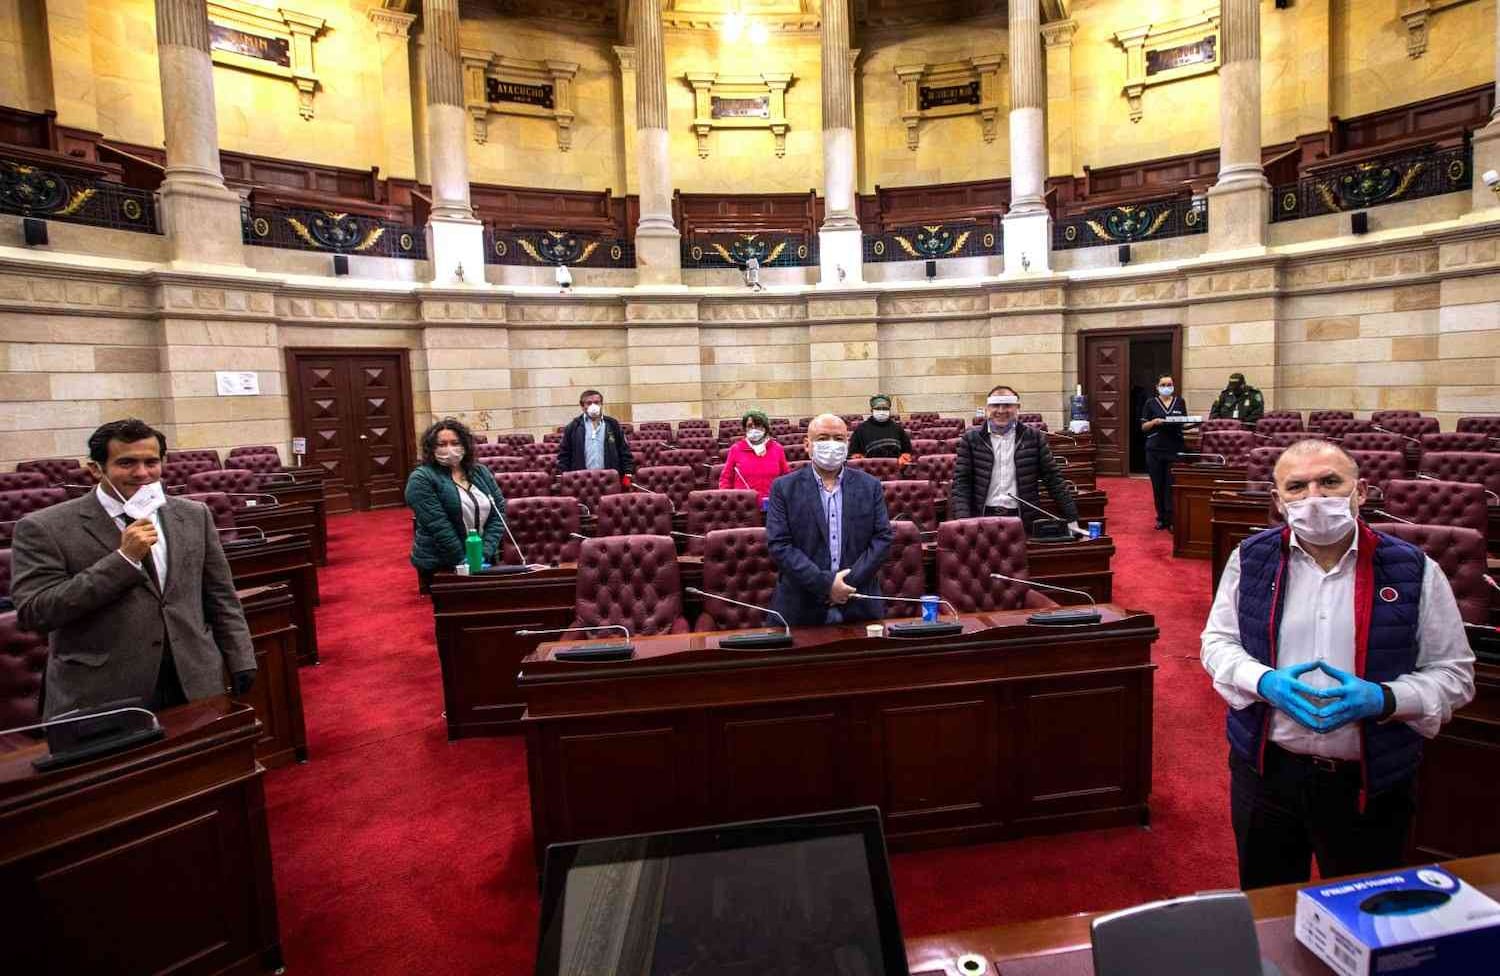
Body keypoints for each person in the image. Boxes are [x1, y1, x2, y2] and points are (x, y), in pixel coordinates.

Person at [1201, 439, 1474, 890]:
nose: (1314, 498)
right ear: (1277, 500)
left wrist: (1384, 698)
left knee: (1366, 914)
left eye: (1329, 482)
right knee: (1267, 905)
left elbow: (1455, 674)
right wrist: (1263, 682)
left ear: (1361, 491)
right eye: (1296, 487)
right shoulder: (1249, 560)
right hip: (1267, 773)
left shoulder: (1414, 569)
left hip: (1369, 782)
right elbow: (1218, 643)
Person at [10, 418, 256, 719]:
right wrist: (123, 560)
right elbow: (36, 612)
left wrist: (241, 657)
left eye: (151, 462)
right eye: (126, 463)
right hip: (102, 692)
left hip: (193, 678)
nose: (142, 473)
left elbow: (221, 595)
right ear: (97, 469)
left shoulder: (193, 515)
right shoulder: (43, 527)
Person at [766, 414, 892, 626]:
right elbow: (780, 545)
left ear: (847, 444)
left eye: (839, 438)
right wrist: (825, 585)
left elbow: (882, 539)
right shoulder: (783, 488)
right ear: (808, 445)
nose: (831, 444)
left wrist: (844, 585)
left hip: (859, 603)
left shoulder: (870, 486)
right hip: (801, 606)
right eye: (823, 438)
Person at [951, 385, 1085, 537]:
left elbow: (1053, 479)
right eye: (995, 405)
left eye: (1007, 405)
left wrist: (1072, 518)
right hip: (982, 517)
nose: (1001, 411)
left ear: (1017, 408)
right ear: (987, 409)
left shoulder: (1034, 438)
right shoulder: (971, 439)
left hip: (1022, 519)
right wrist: (963, 522)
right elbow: (961, 484)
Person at [405, 418, 510, 593]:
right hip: (440, 563)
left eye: (455, 443)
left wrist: (483, 552)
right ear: (431, 448)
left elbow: (499, 512)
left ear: (465, 445)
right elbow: (439, 526)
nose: (449, 449)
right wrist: (463, 561)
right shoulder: (421, 478)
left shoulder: (479, 472)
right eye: (442, 444)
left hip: (482, 559)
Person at [1140, 373, 1194, 530]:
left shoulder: (1180, 402)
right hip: (1154, 449)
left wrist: (1195, 423)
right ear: (1157, 387)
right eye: (1163, 385)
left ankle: (1171, 519)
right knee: (1158, 485)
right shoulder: (1150, 403)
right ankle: (1161, 518)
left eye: (1169, 384)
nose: (1166, 387)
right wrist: (1154, 422)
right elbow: (1143, 427)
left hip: (1175, 448)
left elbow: (1184, 422)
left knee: (1171, 485)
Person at [556, 389, 635, 478]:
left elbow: (624, 451)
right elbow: (564, 455)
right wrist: (562, 476)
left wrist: (628, 474)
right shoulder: (573, 427)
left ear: (601, 404)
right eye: (589, 403)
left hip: (610, 478)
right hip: (582, 479)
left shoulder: (612, 424)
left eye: (597, 402)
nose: (593, 406)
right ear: (582, 406)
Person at [718, 409, 789, 505]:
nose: (754, 429)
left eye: (758, 425)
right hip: (743, 506)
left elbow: (786, 479)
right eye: (750, 426)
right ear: (745, 429)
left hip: (772, 505)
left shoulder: (777, 449)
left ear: (765, 428)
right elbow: (726, 479)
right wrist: (729, 502)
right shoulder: (736, 449)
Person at [848, 394, 912, 465]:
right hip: (869, 470)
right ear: (872, 410)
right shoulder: (860, 430)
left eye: (885, 409)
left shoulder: (898, 428)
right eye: (878, 409)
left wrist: (902, 460)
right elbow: (854, 455)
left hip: (895, 469)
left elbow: (907, 452)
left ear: (889, 410)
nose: (881, 412)